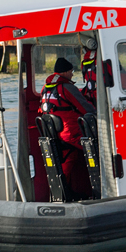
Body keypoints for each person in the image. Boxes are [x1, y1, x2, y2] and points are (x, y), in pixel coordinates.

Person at [41, 56, 93, 198]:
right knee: (99, 149)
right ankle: (94, 191)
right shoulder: (67, 88)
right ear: (64, 72)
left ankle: (65, 192)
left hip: (53, 135)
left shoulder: (45, 89)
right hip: (71, 136)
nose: (72, 74)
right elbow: (86, 109)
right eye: (71, 71)